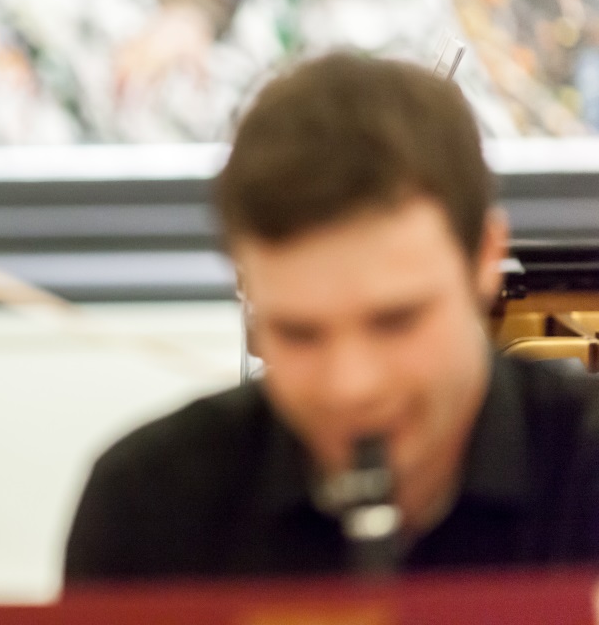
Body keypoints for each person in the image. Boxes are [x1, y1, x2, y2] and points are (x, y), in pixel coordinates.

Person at [64, 53, 599, 581]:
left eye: (396, 321)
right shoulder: (146, 505)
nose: (351, 387)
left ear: (485, 258)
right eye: (298, 334)